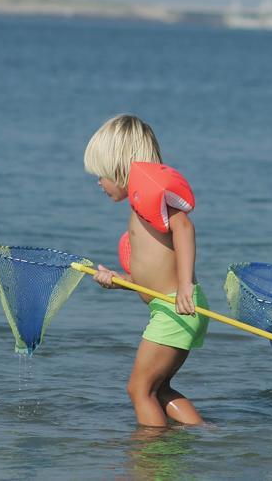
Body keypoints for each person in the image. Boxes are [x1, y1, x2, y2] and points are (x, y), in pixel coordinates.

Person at [84, 114, 209, 427]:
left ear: (118, 165)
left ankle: (150, 457)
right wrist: (119, 281)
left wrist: (184, 287)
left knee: (139, 389)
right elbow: (149, 278)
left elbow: (185, 228)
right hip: (170, 306)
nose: (98, 183)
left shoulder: (152, 199)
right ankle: (206, 434)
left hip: (176, 307)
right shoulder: (141, 208)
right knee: (158, 388)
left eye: (100, 174)